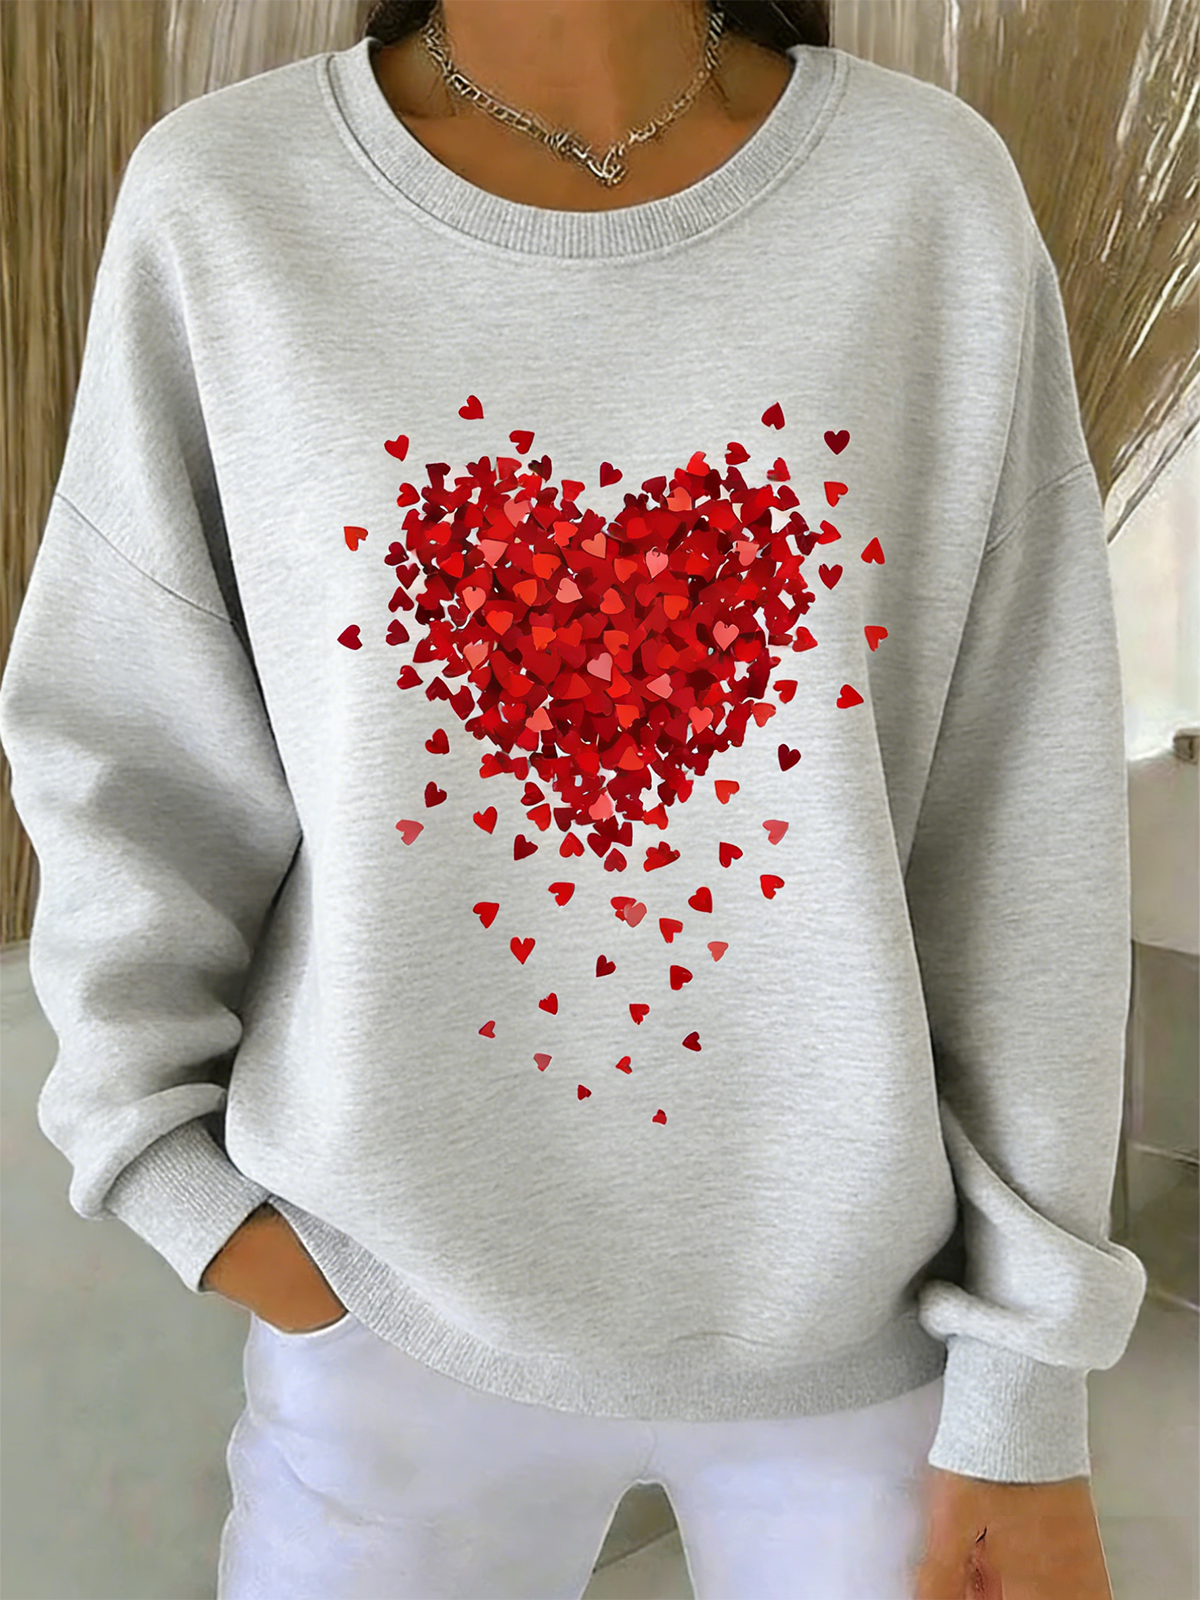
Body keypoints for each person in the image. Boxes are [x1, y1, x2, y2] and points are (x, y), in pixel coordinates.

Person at [0, 1, 1148, 1596]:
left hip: (865, 1334)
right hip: (384, 1318)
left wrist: (1027, 1387)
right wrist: (171, 1172)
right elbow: (129, 736)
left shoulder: (923, 196)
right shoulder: (231, 202)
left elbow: (1021, 822)